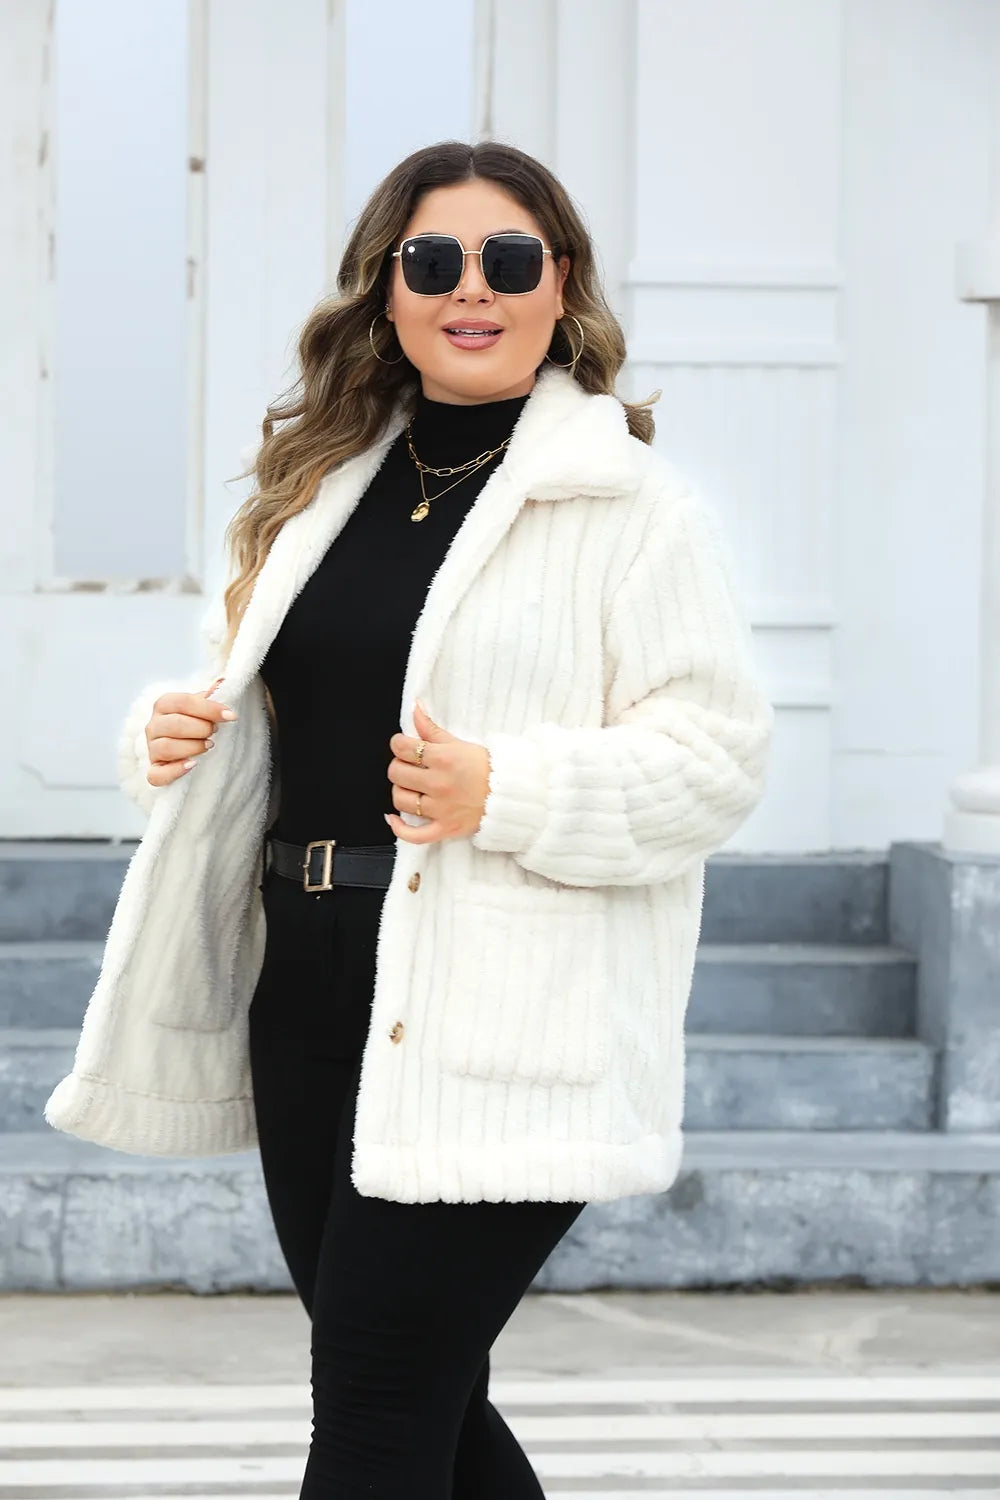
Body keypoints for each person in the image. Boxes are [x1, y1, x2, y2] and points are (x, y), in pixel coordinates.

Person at [45, 139, 774, 1497]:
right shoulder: (317, 487)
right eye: (433, 261)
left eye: (510, 259)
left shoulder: (635, 512)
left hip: (503, 1011)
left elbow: (717, 758)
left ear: (563, 285)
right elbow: (252, 704)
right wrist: (165, 732)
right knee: (420, 1400)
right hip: (307, 987)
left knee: (377, 1409)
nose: (471, 289)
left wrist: (512, 790)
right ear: (387, 291)